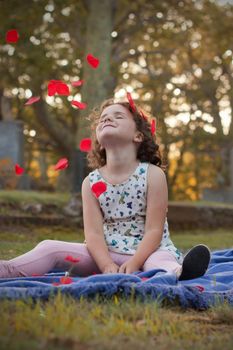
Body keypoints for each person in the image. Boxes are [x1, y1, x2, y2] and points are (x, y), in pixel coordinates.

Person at [0, 98, 210, 280]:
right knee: (48, 247)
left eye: (118, 116)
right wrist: (106, 265)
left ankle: (179, 272)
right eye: (103, 119)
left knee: (160, 261)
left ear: (138, 136)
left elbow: (154, 230)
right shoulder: (90, 182)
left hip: (149, 252)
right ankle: (8, 269)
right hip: (103, 253)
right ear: (99, 142)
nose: (107, 119)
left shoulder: (152, 175)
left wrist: (136, 262)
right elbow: (93, 234)